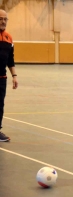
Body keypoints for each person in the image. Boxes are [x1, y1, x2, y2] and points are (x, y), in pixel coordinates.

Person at [0, 9, 18, 142]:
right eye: (1, 18)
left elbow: (10, 59)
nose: (3, 21)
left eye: (5, 19)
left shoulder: (9, 38)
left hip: (2, 79)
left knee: (0, 105)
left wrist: (14, 76)